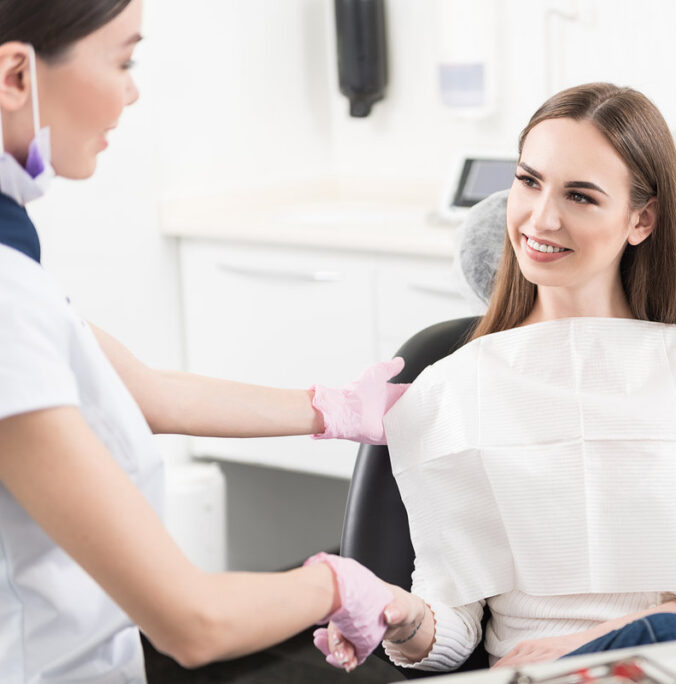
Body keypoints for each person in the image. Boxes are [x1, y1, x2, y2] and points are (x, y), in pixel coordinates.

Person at [319, 83, 676, 672]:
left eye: (580, 196)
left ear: (641, 220)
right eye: (528, 181)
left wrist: (606, 641)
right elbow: (453, 624)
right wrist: (402, 616)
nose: (541, 218)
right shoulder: (458, 385)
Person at [0, 1, 407, 681]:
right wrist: (340, 585)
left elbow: (144, 393)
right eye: (123, 60)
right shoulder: (5, 297)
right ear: (16, 75)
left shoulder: (16, 265)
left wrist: (335, 408)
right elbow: (192, 622)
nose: (133, 90)